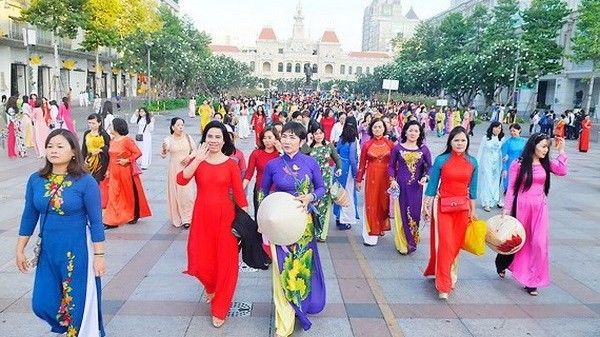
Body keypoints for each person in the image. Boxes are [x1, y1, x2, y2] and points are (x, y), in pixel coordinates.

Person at [16, 128, 106, 337]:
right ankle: (66, 326)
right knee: (42, 303)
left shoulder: (85, 181)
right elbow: (29, 216)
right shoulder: (36, 180)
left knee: (76, 300)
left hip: (77, 249)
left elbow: (96, 221)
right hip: (48, 249)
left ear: (74, 151)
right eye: (49, 146)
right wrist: (20, 249)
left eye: (59, 146)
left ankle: (76, 331)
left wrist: (100, 256)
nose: (53, 150)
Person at [177, 121, 248, 328]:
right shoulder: (197, 160)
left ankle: (221, 307)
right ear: (204, 139)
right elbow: (181, 180)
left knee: (227, 263)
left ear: (225, 139)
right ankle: (210, 285)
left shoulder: (231, 164)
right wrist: (197, 159)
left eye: (218, 137)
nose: (214, 140)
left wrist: (245, 222)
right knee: (200, 259)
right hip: (202, 217)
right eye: (210, 136)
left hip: (225, 218)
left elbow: (240, 196)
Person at [260, 122, 326, 337]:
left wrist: (311, 197)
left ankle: (301, 306)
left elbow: (321, 187)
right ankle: (285, 319)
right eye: (284, 136)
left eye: (292, 137)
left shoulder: (311, 162)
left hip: (303, 225)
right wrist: (264, 221)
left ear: (302, 140)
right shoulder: (273, 165)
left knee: (301, 267)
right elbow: (262, 193)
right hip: (280, 225)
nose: (287, 141)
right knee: (282, 269)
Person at [496, 133, 567, 296]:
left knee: (539, 244)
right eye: (543, 146)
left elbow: (562, 171)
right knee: (518, 241)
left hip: (539, 208)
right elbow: (512, 188)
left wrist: (562, 151)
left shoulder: (545, 164)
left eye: (547, 147)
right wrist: (507, 209)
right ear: (533, 146)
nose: (545, 150)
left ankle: (532, 280)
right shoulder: (518, 164)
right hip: (522, 207)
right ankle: (502, 263)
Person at [422, 126, 478, 299]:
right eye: (456, 140)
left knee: (455, 244)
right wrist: (426, 204)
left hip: (462, 208)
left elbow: (473, 190)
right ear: (450, 142)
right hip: (442, 207)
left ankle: (447, 272)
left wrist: (473, 211)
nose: (460, 143)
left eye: (463, 140)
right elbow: (432, 186)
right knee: (445, 243)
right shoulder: (441, 160)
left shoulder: (473, 162)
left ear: (467, 142)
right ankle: (444, 285)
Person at [388, 120, 432, 254]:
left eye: (416, 131)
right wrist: (392, 180)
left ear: (420, 134)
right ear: (405, 131)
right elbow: (390, 166)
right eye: (411, 130)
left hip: (416, 188)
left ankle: (411, 242)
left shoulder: (424, 149)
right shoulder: (398, 148)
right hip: (401, 187)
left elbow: (430, 167)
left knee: (413, 214)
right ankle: (402, 244)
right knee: (401, 214)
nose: (413, 133)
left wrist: (426, 177)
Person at [103, 118, 151, 228]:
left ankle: (132, 214)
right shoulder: (112, 141)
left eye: (111, 125)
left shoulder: (127, 141)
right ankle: (111, 219)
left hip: (125, 171)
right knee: (113, 194)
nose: (110, 127)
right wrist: (108, 170)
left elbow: (138, 153)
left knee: (127, 194)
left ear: (117, 127)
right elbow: (111, 158)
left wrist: (127, 160)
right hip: (114, 172)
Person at [356, 118, 395, 246]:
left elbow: (395, 163)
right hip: (372, 177)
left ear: (384, 128)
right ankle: (370, 233)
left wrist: (395, 178)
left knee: (383, 204)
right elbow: (362, 164)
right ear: (371, 129)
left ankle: (380, 227)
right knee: (371, 203)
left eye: (380, 127)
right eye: (375, 127)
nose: (377, 129)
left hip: (386, 177)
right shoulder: (367, 145)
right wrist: (359, 179)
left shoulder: (390, 144)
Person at [302, 123, 342, 241]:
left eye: (320, 133)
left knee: (323, 207)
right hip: (311, 181)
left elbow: (337, 159)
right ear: (312, 135)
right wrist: (308, 142)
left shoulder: (329, 146)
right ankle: (311, 230)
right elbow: (301, 155)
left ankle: (321, 233)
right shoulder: (309, 147)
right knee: (312, 205)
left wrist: (339, 168)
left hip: (325, 180)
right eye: (315, 133)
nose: (318, 136)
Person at [161, 118, 196, 228]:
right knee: (176, 193)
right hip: (174, 168)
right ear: (172, 127)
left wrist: (189, 157)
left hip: (187, 168)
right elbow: (163, 154)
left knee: (187, 194)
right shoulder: (168, 139)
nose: (181, 127)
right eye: (178, 125)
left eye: (182, 125)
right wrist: (165, 149)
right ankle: (178, 216)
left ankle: (188, 218)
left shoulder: (188, 137)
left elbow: (195, 150)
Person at [243, 126, 281, 218]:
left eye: (269, 138)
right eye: (264, 138)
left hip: (277, 191)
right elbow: (249, 173)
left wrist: (280, 151)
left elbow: (288, 168)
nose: (267, 141)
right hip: (260, 190)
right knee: (260, 218)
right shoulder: (256, 153)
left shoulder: (280, 154)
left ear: (276, 138)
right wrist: (241, 188)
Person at [334, 117, 360, 230]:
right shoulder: (354, 140)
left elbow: (337, 151)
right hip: (348, 168)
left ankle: (338, 217)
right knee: (348, 194)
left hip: (339, 166)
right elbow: (352, 159)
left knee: (338, 192)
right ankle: (345, 220)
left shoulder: (341, 138)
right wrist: (355, 174)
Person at [477, 122, 504, 212]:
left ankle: (492, 201)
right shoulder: (486, 138)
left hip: (497, 163)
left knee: (495, 182)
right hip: (487, 162)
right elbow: (480, 150)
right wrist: (476, 163)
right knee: (487, 181)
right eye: (496, 127)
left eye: (499, 128)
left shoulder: (501, 139)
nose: (497, 130)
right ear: (492, 128)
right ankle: (486, 202)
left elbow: (503, 152)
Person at [82, 114, 111, 183]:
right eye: (89, 123)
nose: (91, 125)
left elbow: (110, 147)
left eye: (93, 123)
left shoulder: (104, 134)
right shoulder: (87, 134)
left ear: (99, 123)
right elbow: (84, 148)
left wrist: (101, 150)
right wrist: (82, 161)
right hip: (89, 161)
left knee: (98, 181)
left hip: (101, 162)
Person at [501, 124, 527, 194]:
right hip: (510, 166)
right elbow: (503, 157)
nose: (512, 133)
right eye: (511, 131)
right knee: (509, 186)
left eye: (514, 131)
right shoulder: (507, 143)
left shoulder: (524, 141)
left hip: (521, 166)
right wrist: (504, 169)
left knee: (520, 185)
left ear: (519, 130)